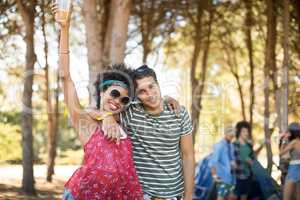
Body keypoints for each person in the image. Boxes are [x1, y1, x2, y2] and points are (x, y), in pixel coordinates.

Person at [51, 3, 143, 200]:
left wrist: (168, 99)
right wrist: (65, 30)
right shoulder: (86, 123)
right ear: (102, 91)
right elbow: (65, 76)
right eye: (114, 93)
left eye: (125, 99)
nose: (118, 101)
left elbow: (152, 103)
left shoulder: (127, 124)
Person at [94, 65, 195, 200]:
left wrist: (188, 196)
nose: (149, 94)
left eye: (151, 86)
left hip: (175, 195)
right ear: (137, 96)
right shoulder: (131, 112)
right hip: (142, 195)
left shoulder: (179, 113)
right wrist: (106, 115)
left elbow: (188, 155)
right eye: (142, 91)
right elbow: (90, 110)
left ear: (158, 84)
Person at [209, 125, 236, 200]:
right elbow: (212, 162)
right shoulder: (219, 145)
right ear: (225, 133)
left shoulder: (231, 145)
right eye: (230, 133)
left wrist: (233, 165)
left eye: (233, 133)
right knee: (221, 197)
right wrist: (214, 176)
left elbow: (232, 159)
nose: (232, 135)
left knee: (231, 197)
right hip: (222, 177)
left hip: (231, 177)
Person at [233, 121, 254, 200]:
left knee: (244, 197)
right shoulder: (234, 145)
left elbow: (252, 159)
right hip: (237, 177)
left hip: (247, 176)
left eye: (247, 131)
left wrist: (251, 162)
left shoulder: (249, 146)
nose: (246, 133)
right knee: (233, 197)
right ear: (239, 132)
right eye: (244, 131)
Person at [280, 122, 300, 200]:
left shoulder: (294, 142)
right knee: (298, 196)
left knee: (286, 197)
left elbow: (281, 153)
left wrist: (283, 140)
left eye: (289, 132)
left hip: (294, 169)